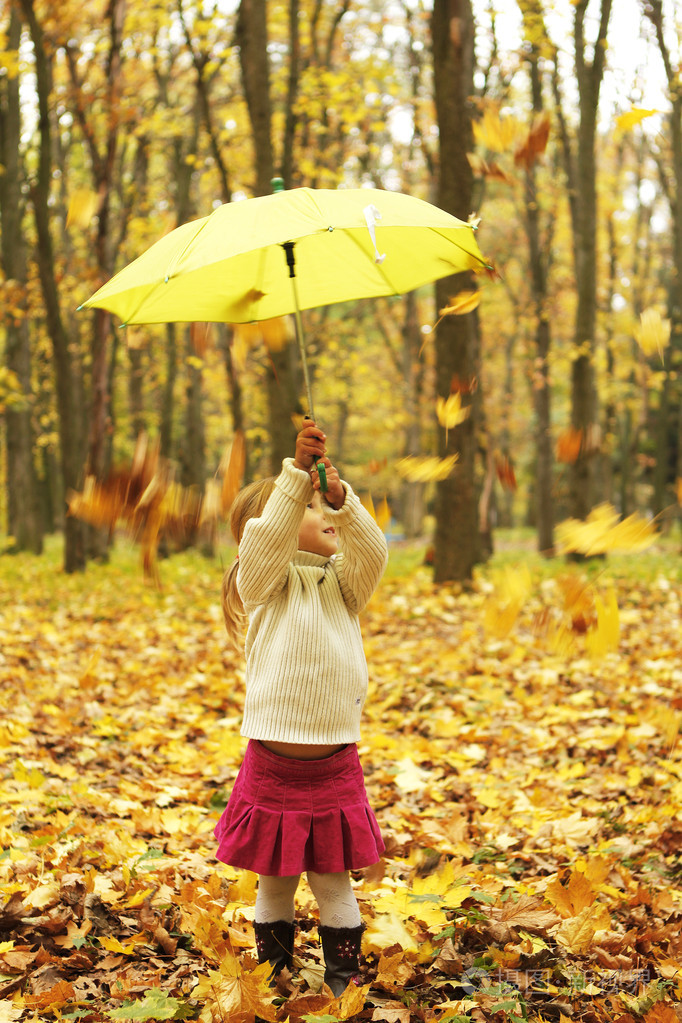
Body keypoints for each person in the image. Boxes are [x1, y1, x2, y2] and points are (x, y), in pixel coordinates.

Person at [215, 417, 388, 998]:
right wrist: (295, 480)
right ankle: (278, 976)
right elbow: (262, 546)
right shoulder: (262, 582)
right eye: (311, 510)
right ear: (284, 522)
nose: (322, 516)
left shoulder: (344, 584)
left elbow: (374, 552)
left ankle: (343, 984)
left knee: (334, 880)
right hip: (274, 763)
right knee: (277, 880)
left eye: (318, 506)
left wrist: (343, 501)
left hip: (333, 762)